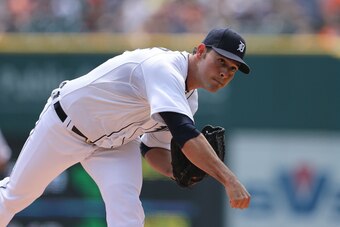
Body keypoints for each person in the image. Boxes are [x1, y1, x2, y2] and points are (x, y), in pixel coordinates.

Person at [0, 28, 251, 226]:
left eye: (232, 68)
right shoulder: (165, 68)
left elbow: (152, 150)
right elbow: (185, 134)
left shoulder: (189, 100)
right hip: (66, 127)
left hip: (114, 146)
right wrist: (229, 180)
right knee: (16, 196)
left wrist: (179, 172)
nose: (225, 72)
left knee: (127, 214)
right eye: (220, 61)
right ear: (200, 51)